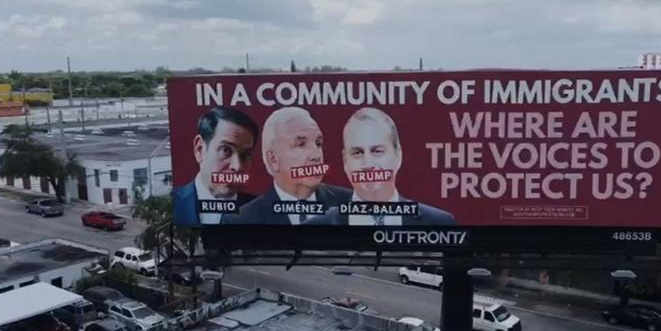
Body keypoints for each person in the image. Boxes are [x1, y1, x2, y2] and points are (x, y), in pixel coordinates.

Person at [306, 107, 455, 226]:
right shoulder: (316, 228)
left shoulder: (439, 223)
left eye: (377, 151)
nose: (368, 164)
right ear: (345, 161)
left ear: (398, 155)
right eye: (357, 152)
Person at [223, 107, 351, 225]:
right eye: (301, 144)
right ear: (273, 160)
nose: (316, 155)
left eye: (318, 143)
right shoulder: (242, 220)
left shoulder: (350, 202)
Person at [172, 107, 260, 225]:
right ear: (200, 149)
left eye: (245, 155)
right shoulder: (169, 205)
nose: (237, 166)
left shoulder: (261, 211)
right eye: (225, 150)